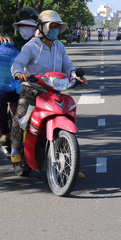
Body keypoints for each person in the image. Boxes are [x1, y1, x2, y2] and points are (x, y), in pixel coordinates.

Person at [10, 10, 88, 163]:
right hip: (32, 90)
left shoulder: (59, 46)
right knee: (21, 115)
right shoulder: (31, 46)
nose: (54, 30)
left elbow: (68, 67)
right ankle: (15, 148)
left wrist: (77, 77)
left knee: (68, 112)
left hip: (54, 91)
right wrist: (19, 73)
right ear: (42, 27)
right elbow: (18, 63)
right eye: (51, 26)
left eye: (57, 27)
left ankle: (70, 164)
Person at [0, 7, 39, 148]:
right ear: (18, 26)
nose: (27, 28)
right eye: (23, 25)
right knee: (1, 98)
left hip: (38, 86)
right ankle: (4, 134)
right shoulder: (11, 41)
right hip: (15, 86)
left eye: (30, 25)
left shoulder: (42, 43)